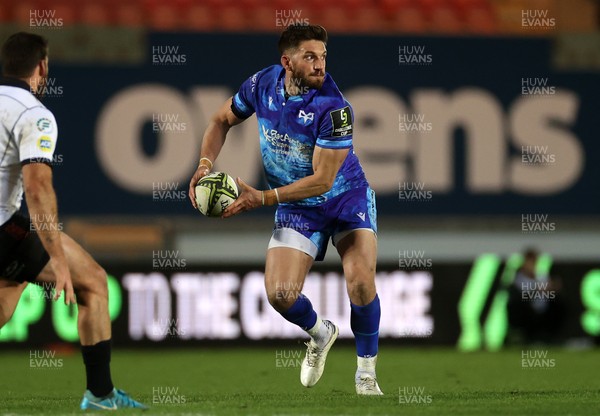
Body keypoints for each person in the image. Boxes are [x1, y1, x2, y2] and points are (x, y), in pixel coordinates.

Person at [189, 24, 383, 395]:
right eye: (310, 56)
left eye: (323, 56)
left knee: (359, 282)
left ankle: (365, 374)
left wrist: (260, 197)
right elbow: (219, 120)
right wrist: (203, 165)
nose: (319, 65)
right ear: (287, 61)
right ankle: (321, 333)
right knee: (280, 295)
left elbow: (324, 181)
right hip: (298, 208)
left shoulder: (335, 109)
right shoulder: (262, 85)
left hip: (345, 199)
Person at [0, 32, 146, 410]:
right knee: (94, 283)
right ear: (42, 66)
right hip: (5, 228)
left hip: (8, 229)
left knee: (4, 303)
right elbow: (37, 187)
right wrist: (58, 259)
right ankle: (100, 394)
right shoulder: (33, 113)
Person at [507, 248, 565, 344]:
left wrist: (554, 288)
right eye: (530, 261)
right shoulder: (518, 278)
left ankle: (551, 337)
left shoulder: (542, 276)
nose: (532, 265)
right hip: (527, 313)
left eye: (534, 261)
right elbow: (520, 297)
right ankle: (523, 337)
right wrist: (537, 290)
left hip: (544, 311)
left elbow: (552, 290)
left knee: (559, 304)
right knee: (519, 307)